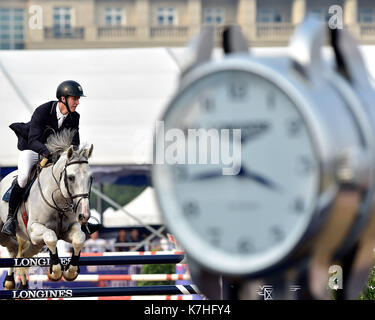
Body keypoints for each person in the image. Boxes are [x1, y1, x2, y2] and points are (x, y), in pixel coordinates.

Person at [1, 80, 102, 237]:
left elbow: (74, 142)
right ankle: (10, 219)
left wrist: (73, 156)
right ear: (63, 99)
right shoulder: (43, 111)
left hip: (57, 154)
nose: (77, 102)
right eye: (74, 98)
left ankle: (82, 220)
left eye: (78, 99)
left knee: (73, 177)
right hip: (32, 149)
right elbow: (33, 139)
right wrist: (47, 152)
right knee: (23, 178)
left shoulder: (75, 117)